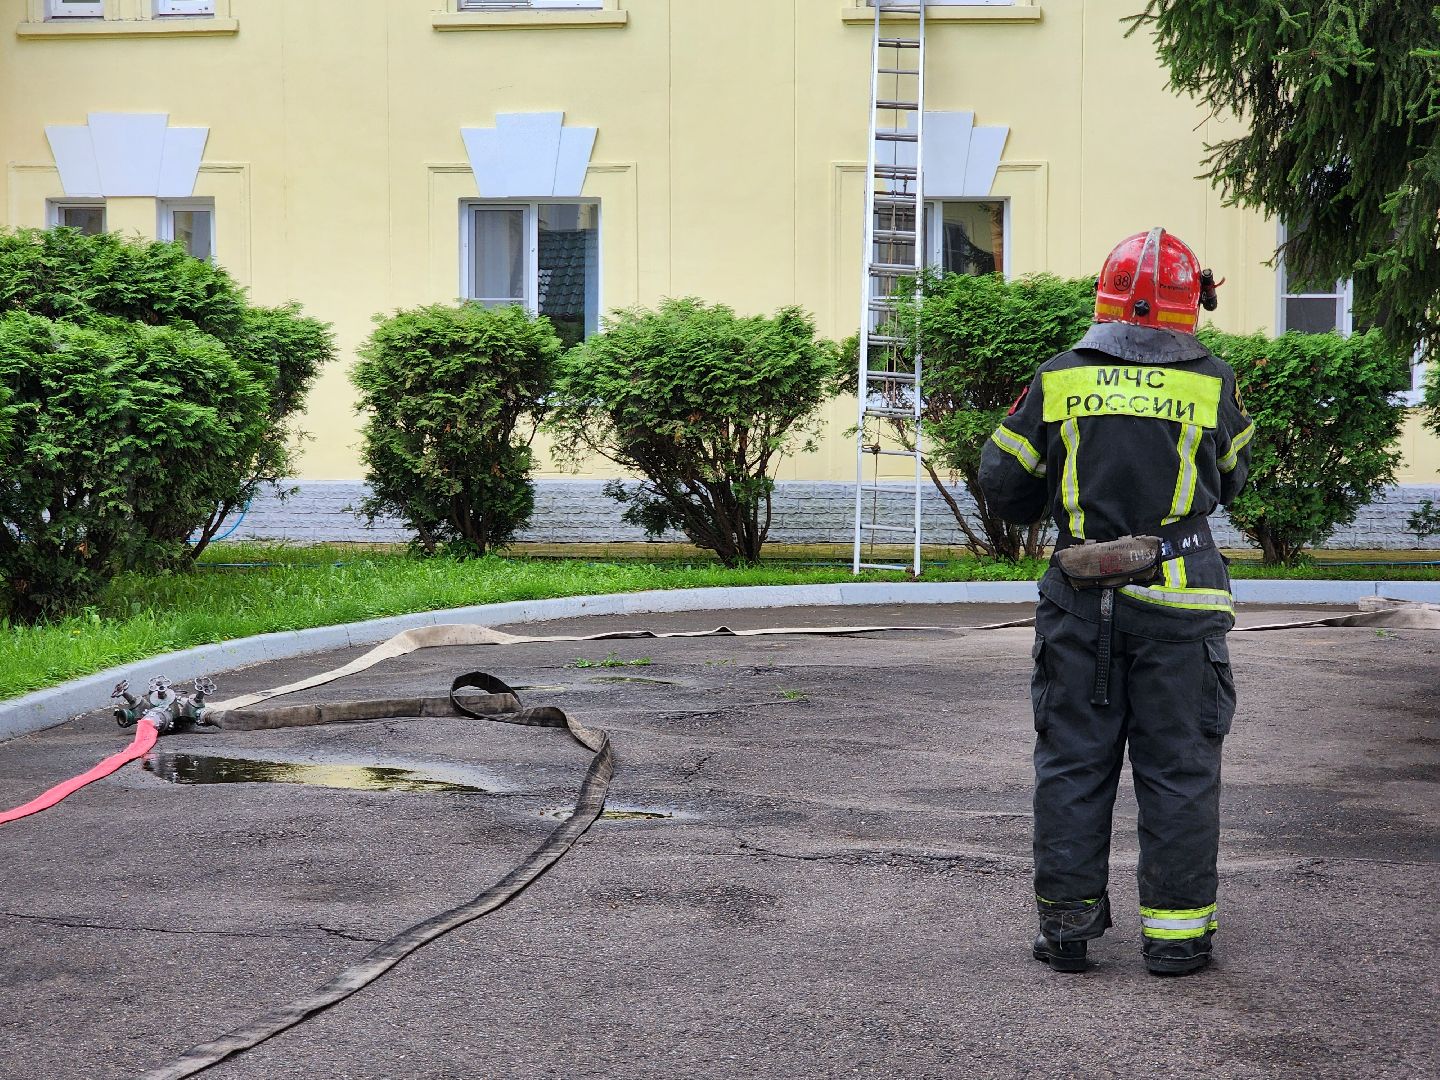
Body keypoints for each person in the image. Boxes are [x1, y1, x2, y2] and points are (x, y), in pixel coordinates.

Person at [978, 227, 1255, 976]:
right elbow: (1232, 481)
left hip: (1078, 604)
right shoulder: (1214, 382)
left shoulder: (1061, 377)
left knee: (1072, 763)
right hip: (1181, 610)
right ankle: (1177, 939)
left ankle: (1066, 931)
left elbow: (1003, 489)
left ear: (1104, 298)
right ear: (1190, 304)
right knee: (1179, 771)